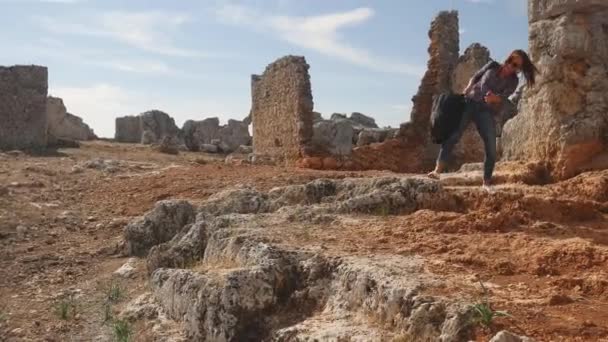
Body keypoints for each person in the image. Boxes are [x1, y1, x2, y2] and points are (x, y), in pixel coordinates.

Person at [427, 49, 538, 193]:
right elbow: (476, 76)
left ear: (519, 69)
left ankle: (486, 182)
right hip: (469, 103)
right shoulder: (492, 65)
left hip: (485, 111)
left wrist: (494, 99)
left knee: (491, 146)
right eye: (510, 60)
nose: (510, 65)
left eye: (515, 65)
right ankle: (437, 170)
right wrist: (468, 87)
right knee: (454, 135)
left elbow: (503, 98)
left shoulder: (513, 81)